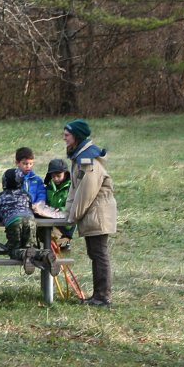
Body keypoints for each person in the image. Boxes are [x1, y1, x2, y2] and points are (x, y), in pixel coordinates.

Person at [63, 119, 117, 306]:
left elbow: (87, 191)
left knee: (99, 254)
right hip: (92, 213)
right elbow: (74, 187)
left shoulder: (88, 158)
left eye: (67, 135)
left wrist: (72, 217)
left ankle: (102, 297)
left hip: (98, 213)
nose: (64, 138)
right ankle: (98, 296)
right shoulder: (79, 156)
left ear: (76, 136)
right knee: (95, 253)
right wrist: (67, 213)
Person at [0, 168, 57, 275]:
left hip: (13, 221)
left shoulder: (1, 196)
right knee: (32, 247)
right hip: (30, 220)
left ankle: (24, 254)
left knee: (14, 250)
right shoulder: (25, 194)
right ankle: (45, 255)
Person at [44, 158, 74, 248]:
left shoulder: (71, 188)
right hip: (51, 221)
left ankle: (65, 241)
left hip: (65, 223)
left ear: (65, 174)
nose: (56, 179)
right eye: (53, 176)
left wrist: (62, 209)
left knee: (51, 236)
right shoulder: (48, 188)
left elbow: (74, 205)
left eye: (58, 176)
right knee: (41, 233)